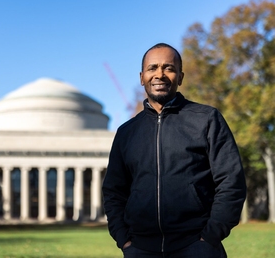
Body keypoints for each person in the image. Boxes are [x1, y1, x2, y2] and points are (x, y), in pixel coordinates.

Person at [102, 43, 246, 258]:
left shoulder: (206, 119)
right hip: (140, 248)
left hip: (197, 246)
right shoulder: (126, 132)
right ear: (142, 77)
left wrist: (211, 236)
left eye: (168, 68)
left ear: (180, 77)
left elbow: (231, 181)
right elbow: (114, 191)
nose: (159, 74)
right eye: (152, 68)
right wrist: (124, 240)